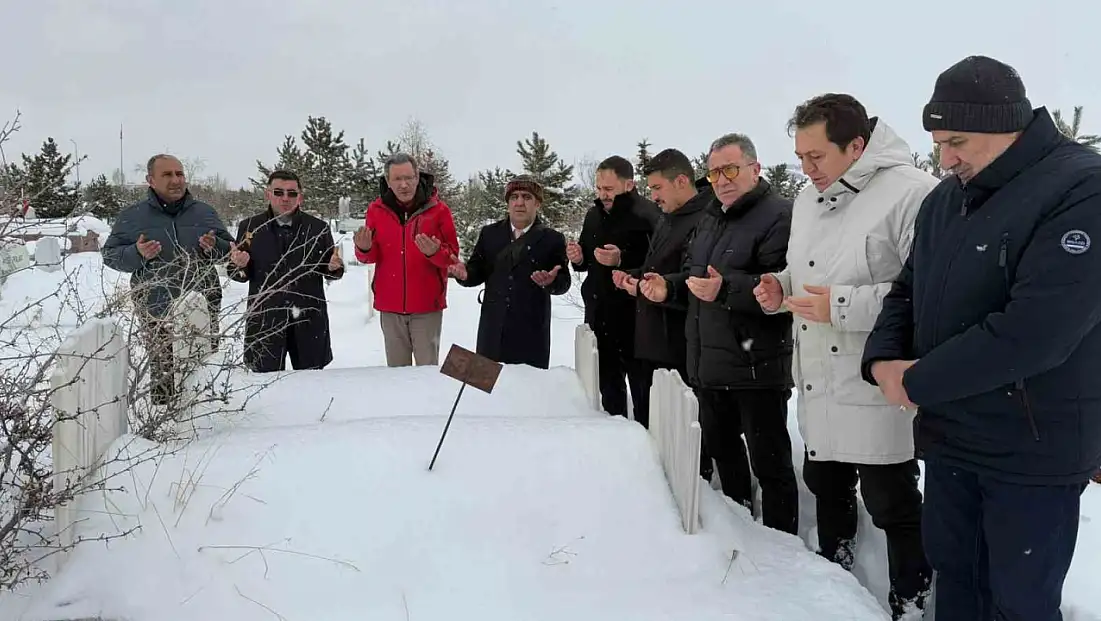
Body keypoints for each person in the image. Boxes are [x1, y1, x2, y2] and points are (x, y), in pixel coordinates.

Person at [861, 55, 1101, 620]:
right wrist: (881, 360)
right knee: (958, 584)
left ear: (1007, 125)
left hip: (1031, 450)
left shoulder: (1080, 189)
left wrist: (917, 381)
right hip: (952, 441)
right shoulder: (947, 199)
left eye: (957, 141)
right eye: (939, 142)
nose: (944, 158)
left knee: (1020, 602)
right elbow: (907, 289)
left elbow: (1037, 332)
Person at [754, 94, 937, 618]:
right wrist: (778, 285)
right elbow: (807, 272)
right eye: (800, 157)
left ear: (857, 145)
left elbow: (924, 294)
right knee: (827, 489)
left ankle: (911, 598)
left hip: (875, 382)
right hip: (818, 380)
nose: (806, 169)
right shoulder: (809, 200)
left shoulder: (912, 194)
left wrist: (838, 305)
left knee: (892, 502)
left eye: (817, 157)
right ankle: (832, 589)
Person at [639, 133, 798, 535]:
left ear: (755, 168)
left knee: (770, 464)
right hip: (708, 364)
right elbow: (696, 276)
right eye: (714, 172)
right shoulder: (711, 217)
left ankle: (783, 547)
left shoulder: (780, 215)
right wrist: (670, 287)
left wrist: (726, 289)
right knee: (726, 457)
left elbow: (778, 284)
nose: (723, 180)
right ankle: (737, 531)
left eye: (731, 169)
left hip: (756, 367)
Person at [611, 148, 714, 480]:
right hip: (656, 339)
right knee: (666, 434)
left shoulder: (704, 219)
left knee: (689, 437)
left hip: (681, 343)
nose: (652, 196)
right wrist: (633, 277)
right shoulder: (670, 217)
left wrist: (659, 287)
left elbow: (691, 278)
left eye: (657, 188)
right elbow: (659, 270)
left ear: (681, 181)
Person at [101, 153, 233, 404]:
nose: (176, 180)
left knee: (203, 369)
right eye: (167, 174)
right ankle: (164, 427)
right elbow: (109, 255)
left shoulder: (204, 212)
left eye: (179, 173)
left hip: (203, 306)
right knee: (164, 374)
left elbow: (229, 251)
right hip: (156, 309)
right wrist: (136, 253)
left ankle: (206, 420)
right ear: (150, 180)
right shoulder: (133, 217)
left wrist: (214, 247)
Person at [568, 155, 659, 421]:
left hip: (635, 317)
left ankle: (646, 445)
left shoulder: (648, 214)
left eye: (608, 189)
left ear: (629, 184)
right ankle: (614, 440)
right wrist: (578, 257)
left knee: (643, 391)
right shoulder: (594, 214)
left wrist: (623, 259)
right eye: (598, 189)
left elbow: (661, 262)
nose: (602, 195)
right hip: (600, 313)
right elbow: (586, 258)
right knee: (608, 391)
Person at [447, 175, 570, 368]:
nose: (519, 203)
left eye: (527, 197)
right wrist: (465, 274)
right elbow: (477, 271)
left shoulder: (552, 239)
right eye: (514, 197)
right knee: (486, 389)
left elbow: (563, 282)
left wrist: (550, 282)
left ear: (537, 203)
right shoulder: (490, 234)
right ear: (507, 203)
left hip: (531, 331)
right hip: (493, 328)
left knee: (526, 392)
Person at [229, 170, 344, 372]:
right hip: (265, 320)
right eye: (279, 192)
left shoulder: (317, 228)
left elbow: (330, 267)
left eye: (291, 193)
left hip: (308, 319)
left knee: (312, 384)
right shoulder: (251, 227)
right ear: (268, 194)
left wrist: (334, 267)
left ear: (300, 196)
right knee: (264, 386)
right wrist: (240, 265)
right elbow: (238, 272)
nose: (285, 198)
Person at [353, 153, 459, 367]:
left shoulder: (438, 211)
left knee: (427, 370)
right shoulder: (376, 210)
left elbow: (452, 258)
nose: (404, 185)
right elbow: (371, 256)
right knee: (397, 373)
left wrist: (434, 253)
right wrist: (364, 249)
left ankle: (429, 402)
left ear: (418, 177)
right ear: (388, 181)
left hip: (427, 306)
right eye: (397, 179)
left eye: (409, 178)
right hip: (390, 307)